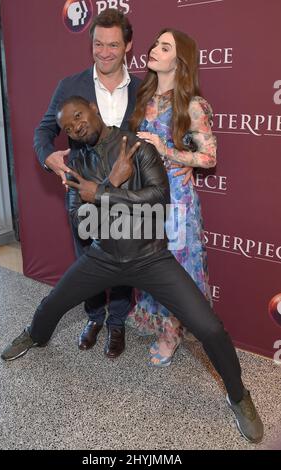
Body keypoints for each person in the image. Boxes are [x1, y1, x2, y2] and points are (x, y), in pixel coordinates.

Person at [1, 97, 263, 444]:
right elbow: (82, 223)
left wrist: (103, 193)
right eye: (67, 127)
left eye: (78, 117)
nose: (75, 127)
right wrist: (108, 185)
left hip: (150, 258)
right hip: (103, 257)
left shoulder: (138, 146)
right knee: (51, 305)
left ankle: (239, 396)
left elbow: (158, 199)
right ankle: (35, 335)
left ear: (94, 110)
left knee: (210, 329)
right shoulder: (77, 163)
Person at [33, 9, 141, 357]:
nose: (105, 52)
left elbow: (162, 134)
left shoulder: (143, 88)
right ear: (90, 44)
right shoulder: (70, 85)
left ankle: (117, 324)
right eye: (98, 44)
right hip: (83, 191)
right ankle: (94, 317)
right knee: (88, 258)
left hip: (126, 191)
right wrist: (48, 157)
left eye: (113, 44)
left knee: (123, 257)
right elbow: (43, 131)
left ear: (128, 46)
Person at [127, 28, 216, 367]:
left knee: (176, 269)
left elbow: (209, 157)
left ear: (179, 62)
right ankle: (159, 322)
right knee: (150, 263)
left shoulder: (194, 105)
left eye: (164, 47)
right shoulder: (144, 98)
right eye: (155, 44)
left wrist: (170, 152)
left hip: (177, 202)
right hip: (145, 197)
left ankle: (172, 333)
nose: (154, 49)